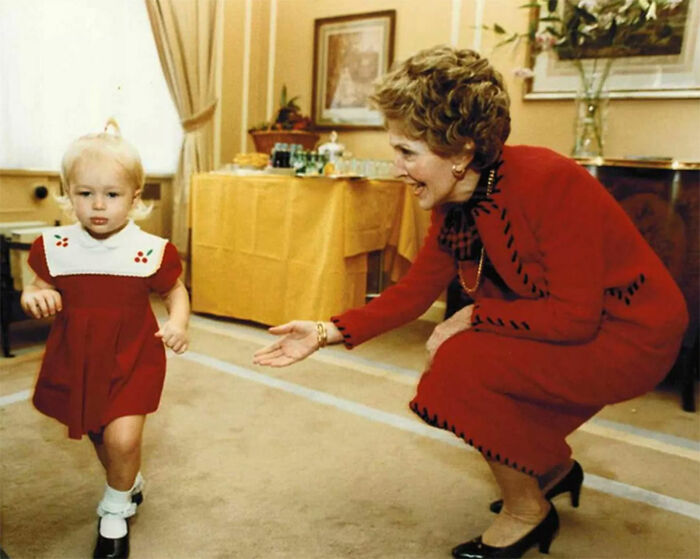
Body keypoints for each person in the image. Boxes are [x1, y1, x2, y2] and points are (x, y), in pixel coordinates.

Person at [253, 45, 688, 558]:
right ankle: (549, 468)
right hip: (574, 321)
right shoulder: (456, 202)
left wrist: (475, 315)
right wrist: (325, 331)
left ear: (459, 153)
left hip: (632, 333)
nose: (396, 168)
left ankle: (529, 511)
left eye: (407, 152)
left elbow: (573, 316)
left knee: (459, 366)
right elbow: (414, 292)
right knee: (467, 361)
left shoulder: (548, 180)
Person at [21, 119, 190, 559]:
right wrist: (34, 295)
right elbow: (38, 282)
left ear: (135, 198)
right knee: (100, 435)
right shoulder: (54, 245)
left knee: (122, 439)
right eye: (85, 193)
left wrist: (178, 323)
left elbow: (175, 290)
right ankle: (128, 483)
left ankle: (113, 509)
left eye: (112, 195)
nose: (98, 205)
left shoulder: (151, 249)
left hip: (134, 357)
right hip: (77, 358)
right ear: (68, 192)